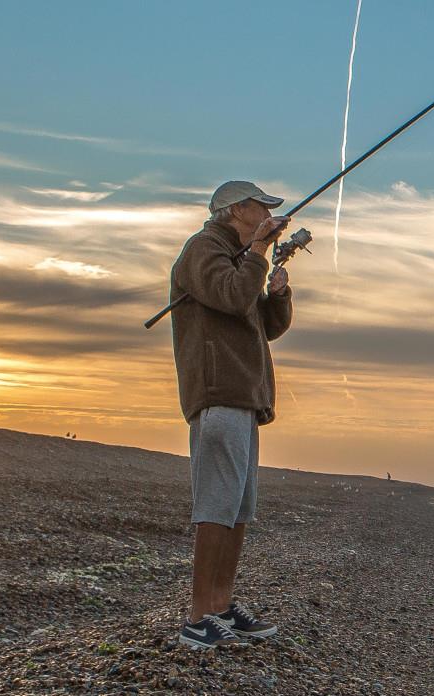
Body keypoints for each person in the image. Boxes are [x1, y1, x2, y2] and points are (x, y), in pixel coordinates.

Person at [166, 180, 295, 649]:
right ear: (236, 209)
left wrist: (277, 292)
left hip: (244, 397)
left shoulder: (239, 259)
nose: (268, 215)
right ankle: (199, 617)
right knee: (217, 506)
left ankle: (221, 607)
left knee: (238, 509)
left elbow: (263, 323)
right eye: (261, 207)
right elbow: (232, 296)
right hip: (218, 395)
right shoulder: (202, 249)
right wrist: (260, 250)